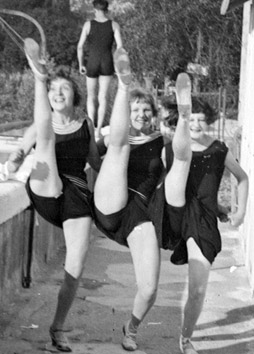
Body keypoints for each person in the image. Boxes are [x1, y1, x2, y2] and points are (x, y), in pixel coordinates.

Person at [94, 48, 192, 351]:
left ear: (153, 114)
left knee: (149, 289)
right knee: (118, 147)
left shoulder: (160, 143)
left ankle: (131, 328)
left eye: (145, 109)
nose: (141, 114)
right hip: (111, 201)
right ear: (128, 111)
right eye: (135, 109)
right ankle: (123, 84)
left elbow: (179, 170)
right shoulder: (110, 139)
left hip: (140, 212)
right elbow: (78, 160)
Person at [11, 38, 101, 352]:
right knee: (45, 142)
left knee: (76, 265)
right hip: (45, 183)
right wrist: (13, 162)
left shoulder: (85, 123)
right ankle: (37, 75)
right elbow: (20, 152)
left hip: (75, 193)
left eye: (63, 88)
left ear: (74, 94)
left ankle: (58, 328)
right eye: (53, 89)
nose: (58, 93)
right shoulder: (42, 124)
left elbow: (95, 163)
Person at [164, 97, 249, 354]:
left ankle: (185, 337)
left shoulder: (218, 150)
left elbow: (242, 177)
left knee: (198, 289)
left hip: (203, 220)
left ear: (209, 121)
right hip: (176, 213)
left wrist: (239, 211)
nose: (197, 123)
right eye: (192, 118)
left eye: (202, 118)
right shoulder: (171, 149)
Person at [77, 0, 123, 139]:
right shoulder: (114, 25)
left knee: (91, 97)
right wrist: (118, 65)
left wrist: (81, 64)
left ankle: (91, 130)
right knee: (102, 97)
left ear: (94, 10)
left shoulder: (88, 25)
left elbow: (80, 47)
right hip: (107, 61)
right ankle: (98, 130)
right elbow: (120, 47)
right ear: (107, 10)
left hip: (92, 61)